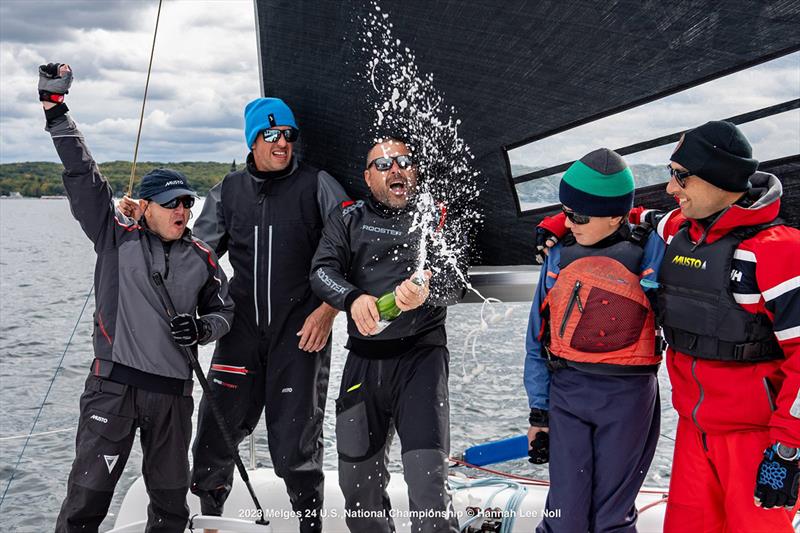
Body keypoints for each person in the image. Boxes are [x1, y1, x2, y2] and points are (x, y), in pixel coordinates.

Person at [540, 121, 800, 532]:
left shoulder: (781, 252)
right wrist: (558, 224)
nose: (670, 188)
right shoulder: (677, 229)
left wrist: (788, 447)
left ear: (717, 176)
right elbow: (621, 212)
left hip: (757, 442)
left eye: (680, 176)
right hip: (694, 436)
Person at [39, 63, 234, 533]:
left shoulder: (202, 257)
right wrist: (55, 108)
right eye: (172, 203)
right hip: (114, 389)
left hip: (172, 397)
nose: (183, 211)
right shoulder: (114, 235)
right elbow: (83, 175)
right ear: (144, 207)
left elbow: (224, 310)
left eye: (188, 202)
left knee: (170, 508)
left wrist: (204, 329)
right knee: (87, 501)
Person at [186, 97, 347, 532]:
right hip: (239, 333)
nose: (281, 143)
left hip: (301, 333)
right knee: (212, 440)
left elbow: (354, 250)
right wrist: (143, 229)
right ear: (252, 140)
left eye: (288, 135)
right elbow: (194, 257)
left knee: (295, 449)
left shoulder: (319, 185)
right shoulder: (228, 190)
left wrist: (329, 311)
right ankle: (210, 525)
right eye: (271, 135)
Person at [309, 137, 462, 533]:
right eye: (383, 164)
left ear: (414, 171)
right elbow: (322, 272)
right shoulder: (348, 219)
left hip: (420, 362)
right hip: (363, 364)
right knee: (358, 490)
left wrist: (427, 290)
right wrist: (352, 297)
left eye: (404, 161)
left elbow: (455, 281)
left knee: (427, 483)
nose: (395, 168)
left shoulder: (434, 216)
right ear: (367, 177)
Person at [524, 148, 665, 532]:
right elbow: (537, 336)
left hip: (628, 399)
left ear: (617, 215)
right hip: (568, 393)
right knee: (563, 516)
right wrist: (539, 412)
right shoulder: (557, 255)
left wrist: (641, 215)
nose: (569, 223)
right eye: (566, 212)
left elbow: (692, 219)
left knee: (610, 518)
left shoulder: (652, 248)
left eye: (579, 215)